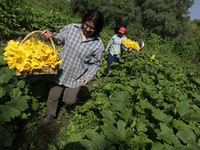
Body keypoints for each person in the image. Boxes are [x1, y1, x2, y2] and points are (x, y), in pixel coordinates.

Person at [37, 9, 104, 128]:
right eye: (86, 25)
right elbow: (58, 39)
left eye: (92, 28)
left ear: (97, 29)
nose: (88, 29)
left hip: (76, 76)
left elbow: (96, 64)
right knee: (53, 96)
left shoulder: (98, 44)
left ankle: (70, 98)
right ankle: (49, 116)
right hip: (61, 71)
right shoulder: (71, 28)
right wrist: (52, 36)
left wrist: (88, 76)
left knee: (69, 100)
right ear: (83, 21)